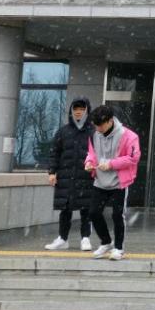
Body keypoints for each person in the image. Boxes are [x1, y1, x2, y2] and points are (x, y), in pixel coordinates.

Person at [84, 105, 141, 261]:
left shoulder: (129, 136)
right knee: (93, 213)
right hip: (100, 181)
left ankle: (119, 248)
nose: (98, 129)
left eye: (100, 125)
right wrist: (89, 162)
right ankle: (106, 242)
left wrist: (111, 164)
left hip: (119, 182)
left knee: (117, 215)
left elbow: (133, 158)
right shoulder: (94, 135)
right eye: (95, 125)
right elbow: (91, 153)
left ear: (110, 121)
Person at [45, 97, 95, 252]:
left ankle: (85, 238)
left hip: (86, 177)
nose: (78, 112)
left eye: (82, 109)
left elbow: (99, 153)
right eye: (76, 109)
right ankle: (62, 238)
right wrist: (52, 172)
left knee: (86, 209)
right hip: (66, 176)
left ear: (87, 111)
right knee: (65, 209)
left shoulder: (93, 132)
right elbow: (54, 153)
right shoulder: (63, 131)